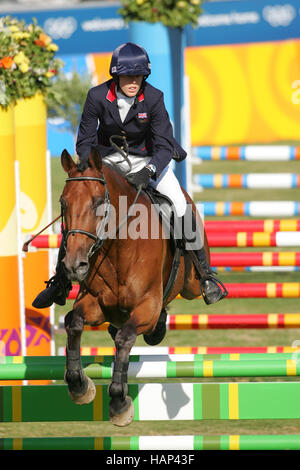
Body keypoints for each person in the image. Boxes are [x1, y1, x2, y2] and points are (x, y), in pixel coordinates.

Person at [33, 42, 227, 309]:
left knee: (180, 203)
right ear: (116, 76)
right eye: (127, 77)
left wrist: (148, 172)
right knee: (80, 210)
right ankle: (60, 282)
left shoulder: (154, 98)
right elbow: (86, 139)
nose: (133, 82)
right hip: (108, 159)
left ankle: (205, 275)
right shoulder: (97, 96)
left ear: (143, 76)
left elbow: (164, 145)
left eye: (137, 77)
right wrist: (88, 166)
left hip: (148, 159)